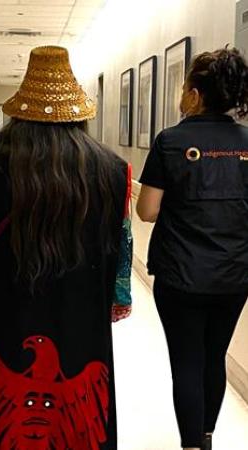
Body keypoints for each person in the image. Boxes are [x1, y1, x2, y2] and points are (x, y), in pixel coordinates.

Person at [0, 45, 132, 450]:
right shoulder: (112, 167)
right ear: (76, 111)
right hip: (82, 297)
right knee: (81, 379)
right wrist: (120, 292)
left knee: (12, 384)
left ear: (21, 108)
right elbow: (122, 235)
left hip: (8, 296)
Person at [137, 47, 248, 450]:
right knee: (214, 357)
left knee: (187, 361)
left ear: (196, 94)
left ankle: (191, 446)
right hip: (235, 274)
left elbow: (147, 211)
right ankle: (206, 436)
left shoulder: (171, 141)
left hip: (180, 273)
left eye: (184, 87)